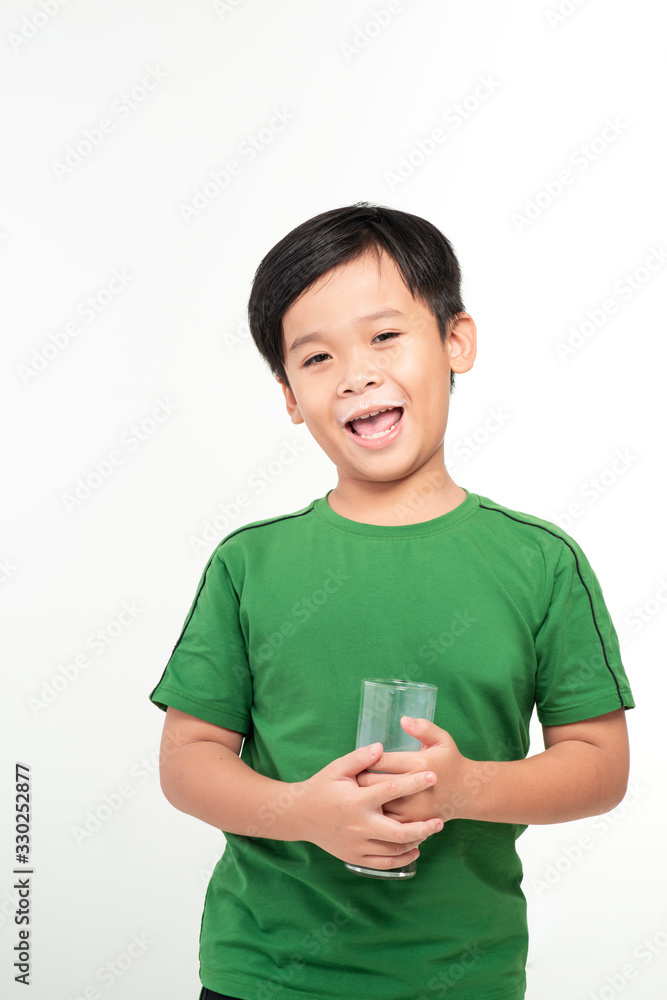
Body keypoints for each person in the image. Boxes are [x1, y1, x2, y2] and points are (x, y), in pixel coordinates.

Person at [149, 202, 635, 1000]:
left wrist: (465, 786)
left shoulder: (539, 562)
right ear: (288, 396)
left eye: (384, 336)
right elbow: (188, 761)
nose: (356, 373)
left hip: (461, 978)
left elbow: (599, 766)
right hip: (263, 975)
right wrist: (304, 811)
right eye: (314, 357)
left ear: (455, 343)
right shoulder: (249, 563)